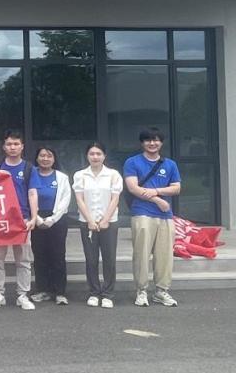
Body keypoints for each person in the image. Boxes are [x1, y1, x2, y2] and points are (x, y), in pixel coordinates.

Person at [124, 127, 181, 307]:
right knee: (141, 254)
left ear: (161, 143)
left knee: (165, 255)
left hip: (165, 215)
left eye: (156, 140)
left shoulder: (170, 164)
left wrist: (155, 191)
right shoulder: (132, 162)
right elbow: (133, 188)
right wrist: (157, 200)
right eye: (148, 140)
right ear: (142, 143)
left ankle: (161, 291)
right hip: (142, 213)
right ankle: (141, 290)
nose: (152, 143)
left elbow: (176, 188)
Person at [0, 129, 37, 310]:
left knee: (23, 259)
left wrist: (33, 217)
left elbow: (32, 193)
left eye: (16, 144)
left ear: (22, 146)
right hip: (0, 219)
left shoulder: (29, 168)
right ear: (4, 147)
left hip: (22, 219)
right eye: (9, 144)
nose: (13, 147)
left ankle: (23, 294)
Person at [73, 142, 123, 308]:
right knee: (91, 259)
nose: (95, 157)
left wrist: (105, 220)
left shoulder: (113, 175)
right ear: (87, 156)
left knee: (109, 259)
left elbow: (115, 199)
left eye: (98, 153)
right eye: (92, 154)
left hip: (109, 222)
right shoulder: (80, 175)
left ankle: (108, 294)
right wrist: (89, 220)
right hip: (87, 222)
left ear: (104, 156)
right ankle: (94, 292)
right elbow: (79, 199)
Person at [28, 146, 73, 305]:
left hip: (57, 219)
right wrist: (37, 219)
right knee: (40, 256)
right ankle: (42, 290)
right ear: (37, 158)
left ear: (54, 159)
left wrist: (52, 219)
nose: (45, 159)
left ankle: (59, 292)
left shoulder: (61, 177)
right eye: (42, 155)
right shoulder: (31, 174)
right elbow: (28, 196)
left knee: (58, 255)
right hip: (36, 218)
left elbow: (65, 200)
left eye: (49, 156)